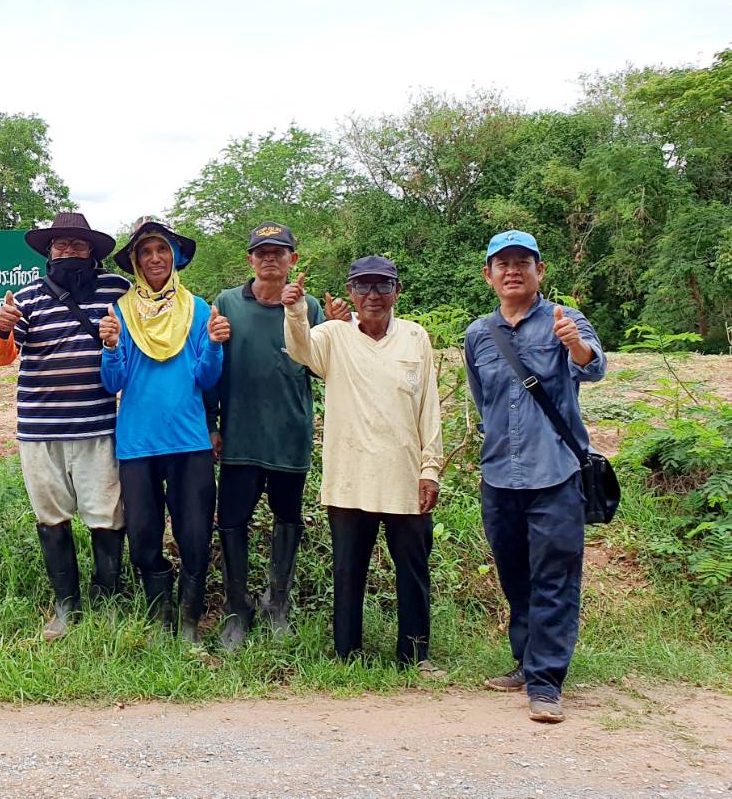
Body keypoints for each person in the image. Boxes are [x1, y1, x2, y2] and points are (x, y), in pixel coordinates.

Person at [465, 230, 606, 724]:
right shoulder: (479, 334)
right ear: (488, 275)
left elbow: (593, 368)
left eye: (522, 263)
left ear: (539, 271)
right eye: (502, 264)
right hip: (499, 474)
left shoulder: (565, 319)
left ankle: (546, 682)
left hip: (555, 474)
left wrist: (576, 347)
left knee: (554, 579)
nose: (512, 271)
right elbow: (483, 399)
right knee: (515, 575)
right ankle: (526, 662)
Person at [281, 257, 444, 672]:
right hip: (349, 478)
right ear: (351, 293)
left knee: (413, 571)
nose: (373, 295)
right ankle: (347, 654)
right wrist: (295, 309)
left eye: (382, 286)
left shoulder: (414, 336)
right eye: (363, 287)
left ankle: (415, 655)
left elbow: (429, 408)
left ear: (397, 291)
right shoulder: (333, 335)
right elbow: (300, 349)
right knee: (348, 570)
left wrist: (430, 469)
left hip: (404, 476)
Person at [0, 211, 129, 641]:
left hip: (98, 426)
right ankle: (66, 606)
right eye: (61, 244)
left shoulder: (117, 290)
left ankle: (107, 604)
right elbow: (2, 358)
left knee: (107, 516)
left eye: (78, 244)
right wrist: (3, 327)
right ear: (48, 252)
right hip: (40, 428)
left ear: (92, 251)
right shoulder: (26, 297)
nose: (69, 250)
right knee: (51, 517)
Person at [209, 222, 349, 650]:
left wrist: (338, 331)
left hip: (289, 434)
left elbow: (324, 367)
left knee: (287, 517)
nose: (270, 258)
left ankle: (277, 604)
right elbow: (212, 365)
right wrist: (212, 423)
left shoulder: (309, 306)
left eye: (278, 252)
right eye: (262, 252)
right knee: (232, 519)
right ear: (250, 259)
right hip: (239, 436)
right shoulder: (227, 303)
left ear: (293, 259)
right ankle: (237, 607)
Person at [99, 216, 229, 643]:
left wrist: (213, 344)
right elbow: (113, 383)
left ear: (174, 257)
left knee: (195, 533)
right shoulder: (120, 313)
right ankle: (160, 617)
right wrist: (111, 347)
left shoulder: (197, 310)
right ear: (136, 262)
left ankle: (189, 622)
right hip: (138, 444)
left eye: (161, 250)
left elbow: (207, 377)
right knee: (142, 537)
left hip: (189, 442)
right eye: (145, 252)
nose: (154, 258)